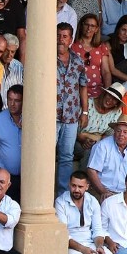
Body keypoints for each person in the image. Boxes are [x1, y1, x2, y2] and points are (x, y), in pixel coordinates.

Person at [56, 171, 119, 254]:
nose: (76, 190)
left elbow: (97, 229)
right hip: (70, 245)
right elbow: (63, 235)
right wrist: (84, 250)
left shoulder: (92, 201)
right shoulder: (61, 202)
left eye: (80, 187)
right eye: (73, 186)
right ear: (69, 184)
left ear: (87, 187)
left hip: (90, 242)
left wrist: (99, 246)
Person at [56, 23, 89, 196]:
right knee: (46, 155)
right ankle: (43, 194)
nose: (61, 39)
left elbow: (83, 86)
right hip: (51, 116)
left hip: (71, 116)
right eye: (58, 35)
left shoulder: (77, 60)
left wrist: (85, 111)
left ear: (71, 39)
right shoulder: (47, 58)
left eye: (65, 36)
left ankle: (62, 195)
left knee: (67, 156)